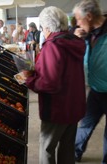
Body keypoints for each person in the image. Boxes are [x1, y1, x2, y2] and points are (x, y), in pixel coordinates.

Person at [24, 6, 86, 164]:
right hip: (73, 105)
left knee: (47, 148)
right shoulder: (74, 42)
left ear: (47, 27)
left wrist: (28, 80)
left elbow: (49, 83)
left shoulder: (53, 46)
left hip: (57, 109)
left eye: (43, 28)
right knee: (67, 148)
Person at [73, 0, 107, 163]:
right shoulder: (88, 33)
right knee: (86, 124)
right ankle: (75, 154)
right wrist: (76, 39)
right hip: (95, 90)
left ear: (89, 16)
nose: (77, 23)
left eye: (79, 19)